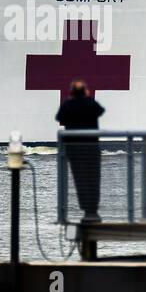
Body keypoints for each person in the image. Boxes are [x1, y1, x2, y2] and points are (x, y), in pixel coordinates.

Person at [56, 80, 105, 222]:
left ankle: (85, 210)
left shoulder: (67, 104)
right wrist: (87, 98)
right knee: (93, 180)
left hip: (74, 149)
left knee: (80, 180)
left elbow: (60, 118)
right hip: (91, 147)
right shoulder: (91, 104)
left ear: (71, 92)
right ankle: (93, 210)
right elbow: (100, 111)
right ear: (85, 91)